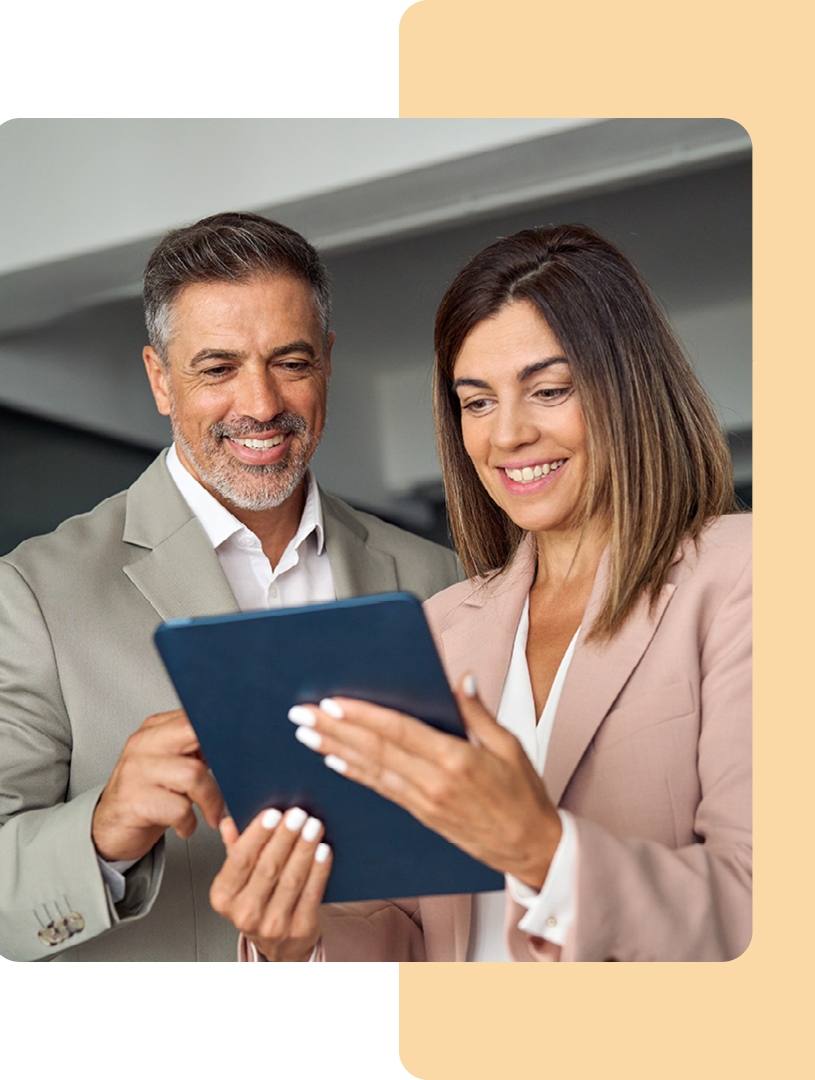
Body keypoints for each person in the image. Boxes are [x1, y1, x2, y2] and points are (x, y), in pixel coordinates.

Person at [211, 223, 751, 962]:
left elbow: (759, 915)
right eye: (477, 402)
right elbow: (403, 925)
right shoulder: (439, 627)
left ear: (630, 387)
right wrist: (295, 941)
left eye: (549, 390)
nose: (508, 436)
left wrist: (542, 851)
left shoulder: (744, 576)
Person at [0, 212, 463, 961]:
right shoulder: (28, 597)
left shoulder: (439, 579)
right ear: (159, 380)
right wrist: (102, 830)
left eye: (292, 363)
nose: (262, 404)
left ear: (329, 362)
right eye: (217, 369)